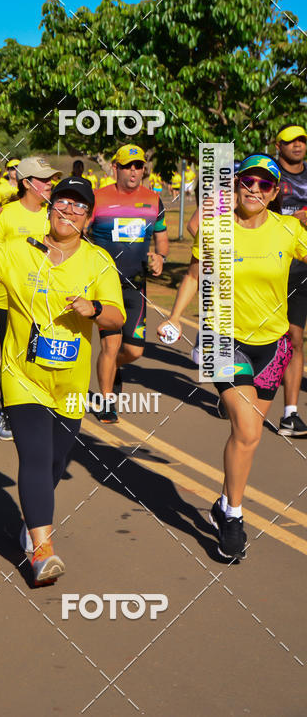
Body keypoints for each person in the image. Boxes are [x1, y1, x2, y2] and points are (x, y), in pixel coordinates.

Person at [0, 177, 124, 585]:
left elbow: (117, 317)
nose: (68, 211)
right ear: (50, 208)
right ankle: (43, 550)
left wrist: (94, 307)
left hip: (70, 382)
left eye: (78, 206)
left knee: (53, 462)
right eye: (61, 203)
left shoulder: (99, 260)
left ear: (88, 217)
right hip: (22, 375)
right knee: (33, 456)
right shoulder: (17, 251)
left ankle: (33, 526)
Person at [158, 154, 307, 560]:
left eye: (264, 184)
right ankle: (235, 516)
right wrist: (174, 316)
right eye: (247, 182)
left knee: (248, 439)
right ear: (235, 186)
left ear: (276, 192)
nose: (254, 190)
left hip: (273, 346)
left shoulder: (288, 230)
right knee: (248, 430)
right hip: (220, 339)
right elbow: (193, 274)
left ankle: (224, 502)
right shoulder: (216, 227)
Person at [90, 145, 168, 423]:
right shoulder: (97, 198)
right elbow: (79, 233)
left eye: (138, 166)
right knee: (110, 347)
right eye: (127, 166)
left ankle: (110, 371)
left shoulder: (153, 200)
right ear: (115, 168)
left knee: (133, 351)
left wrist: (161, 257)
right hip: (106, 286)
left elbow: (161, 239)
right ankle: (107, 400)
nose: (134, 171)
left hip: (137, 286)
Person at [0, 157, 61, 441]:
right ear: (27, 183)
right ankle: (8, 410)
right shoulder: (7, 214)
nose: (50, 184)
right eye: (44, 179)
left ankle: (39, 410)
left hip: (45, 301)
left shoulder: (53, 214)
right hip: (7, 301)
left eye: (51, 179)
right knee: (13, 358)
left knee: (42, 356)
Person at [275, 125, 307, 437]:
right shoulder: (268, 175)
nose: (297, 146)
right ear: (278, 145)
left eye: (302, 140)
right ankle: (234, 391)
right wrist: (291, 220)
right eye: (290, 141)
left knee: (295, 339)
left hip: (302, 269)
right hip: (270, 267)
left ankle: (290, 414)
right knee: (259, 338)